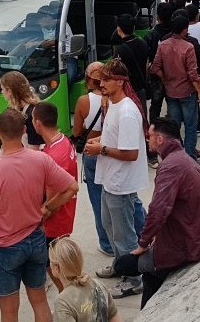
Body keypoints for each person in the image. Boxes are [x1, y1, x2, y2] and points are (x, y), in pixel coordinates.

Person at [0, 108, 78, 322]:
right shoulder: (40, 160)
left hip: (5, 247)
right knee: (39, 302)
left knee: (9, 311)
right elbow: (71, 186)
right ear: (24, 131)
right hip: (36, 239)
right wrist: (47, 209)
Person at [113, 118, 200, 307]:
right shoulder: (184, 158)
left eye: (150, 137)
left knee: (123, 265)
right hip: (199, 233)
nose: (148, 140)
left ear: (160, 139)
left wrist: (144, 242)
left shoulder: (170, 166)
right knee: (149, 277)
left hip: (186, 244)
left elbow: (158, 209)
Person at [84, 59, 148, 298]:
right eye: (100, 79)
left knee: (124, 234)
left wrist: (100, 149)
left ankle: (133, 278)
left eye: (106, 79)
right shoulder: (114, 105)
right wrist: (100, 143)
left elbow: (131, 153)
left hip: (121, 183)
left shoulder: (127, 113)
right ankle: (120, 266)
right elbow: (116, 141)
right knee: (110, 227)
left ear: (120, 82)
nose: (101, 83)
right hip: (110, 179)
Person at [32, 102, 78, 290]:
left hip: (55, 223)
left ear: (38, 124)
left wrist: (41, 216)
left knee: (53, 265)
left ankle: (67, 295)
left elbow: (52, 201)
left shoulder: (52, 157)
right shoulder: (63, 141)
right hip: (66, 216)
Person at [150, 11, 200, 159]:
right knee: (190, 126)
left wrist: (165, 78)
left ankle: (175, 155)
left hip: (170, 91)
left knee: (174, 128)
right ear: (185, 29)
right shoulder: (188, 47)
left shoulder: (163, 45)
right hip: (187, 91)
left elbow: (155, 67)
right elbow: (192, 74)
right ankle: (190, 157)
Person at [72, 62, 113, 255]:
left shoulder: (83, 101)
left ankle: (106, 243)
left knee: (98, 201)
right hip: (110, 150)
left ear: (89, 79)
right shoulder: (114, 98)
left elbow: (77, 131)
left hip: (91, 152)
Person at [0, 70, 43, 148]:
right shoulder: (14, 108)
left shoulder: (32, 114)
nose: (1, 92)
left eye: (2, 89)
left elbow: (34, 149)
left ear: (9, 91)